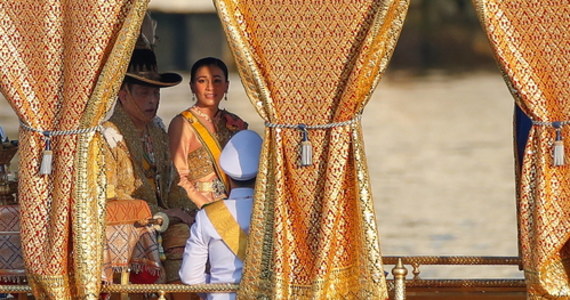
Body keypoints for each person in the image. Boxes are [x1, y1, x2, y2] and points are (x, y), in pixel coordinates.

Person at [102, 48, 197, 288]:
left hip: (162, 219)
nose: (153, 101)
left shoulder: (157, 131)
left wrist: (189, 211)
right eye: (144, 93)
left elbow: (173, 184)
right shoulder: (108, 136)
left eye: (156, 93)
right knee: (180, 236)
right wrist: (161, 213)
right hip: (129, 223)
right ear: (123, 95)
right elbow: (109, 197)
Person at [179, 130, 262, 300]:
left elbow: (189, 277)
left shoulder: (207, 216)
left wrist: (217, 290)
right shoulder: (275, 215)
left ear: (225, 175)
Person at [168, 57, 248, 210]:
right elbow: (178, 177)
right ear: (192, 86)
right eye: (202, 81)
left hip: (235, 204)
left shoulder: (235, 122)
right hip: (199, 207)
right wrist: (207, 207)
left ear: (227, 86)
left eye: (217, 81)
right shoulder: (183, 123)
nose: (210, 87)